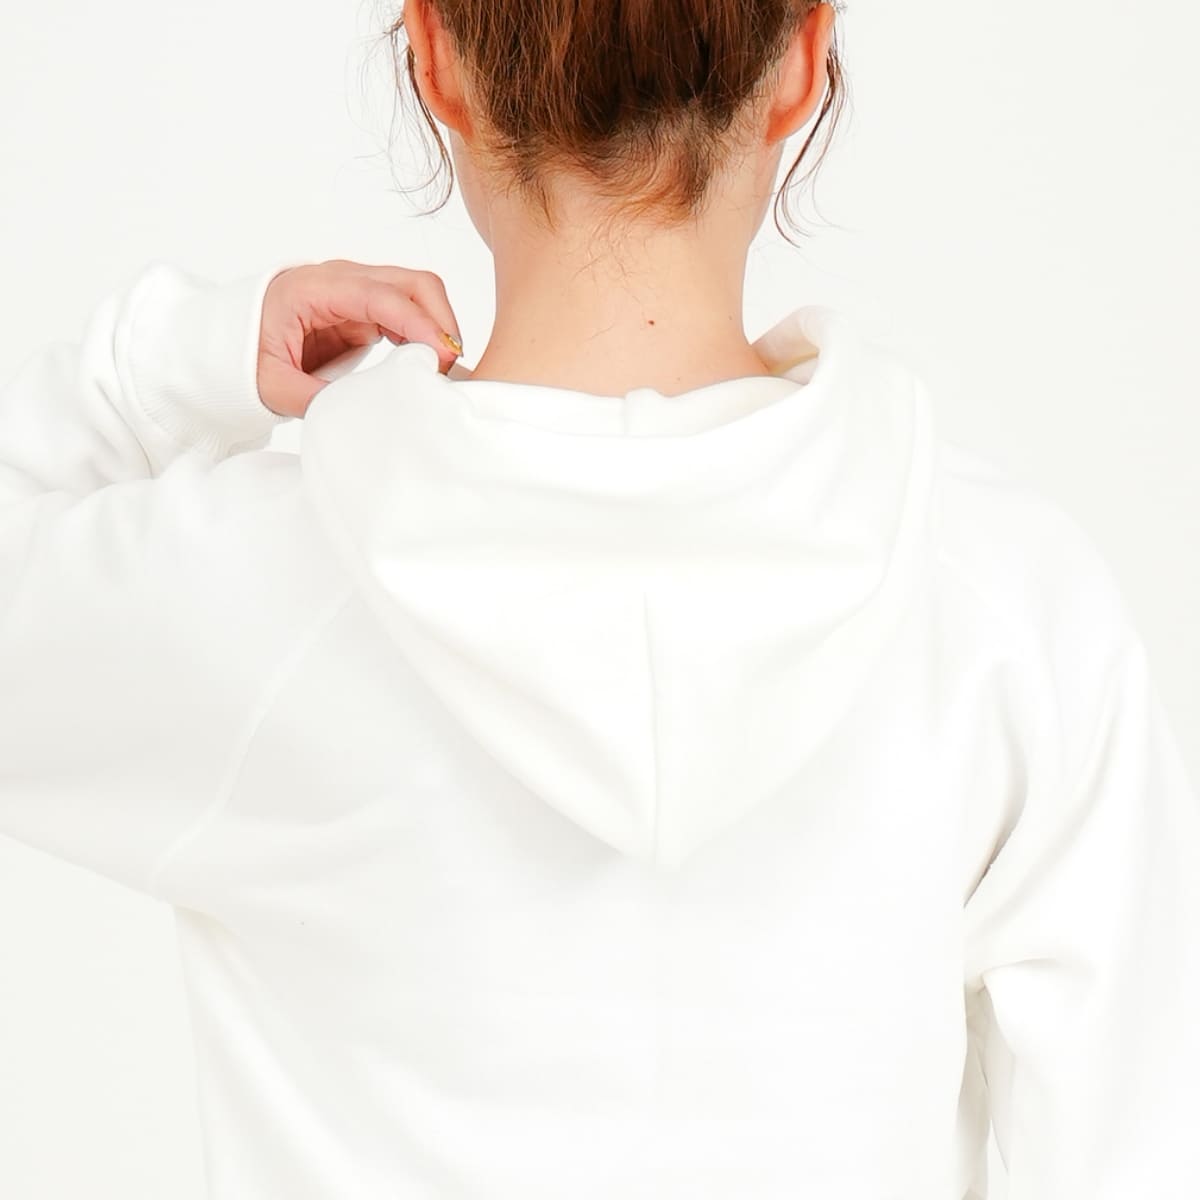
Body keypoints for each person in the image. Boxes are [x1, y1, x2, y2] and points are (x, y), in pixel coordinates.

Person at [2, 0, 1197, 1196]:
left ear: (435, 60)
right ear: (800, 63)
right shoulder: (1005, 608)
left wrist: (177, 363)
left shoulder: (262, 587)